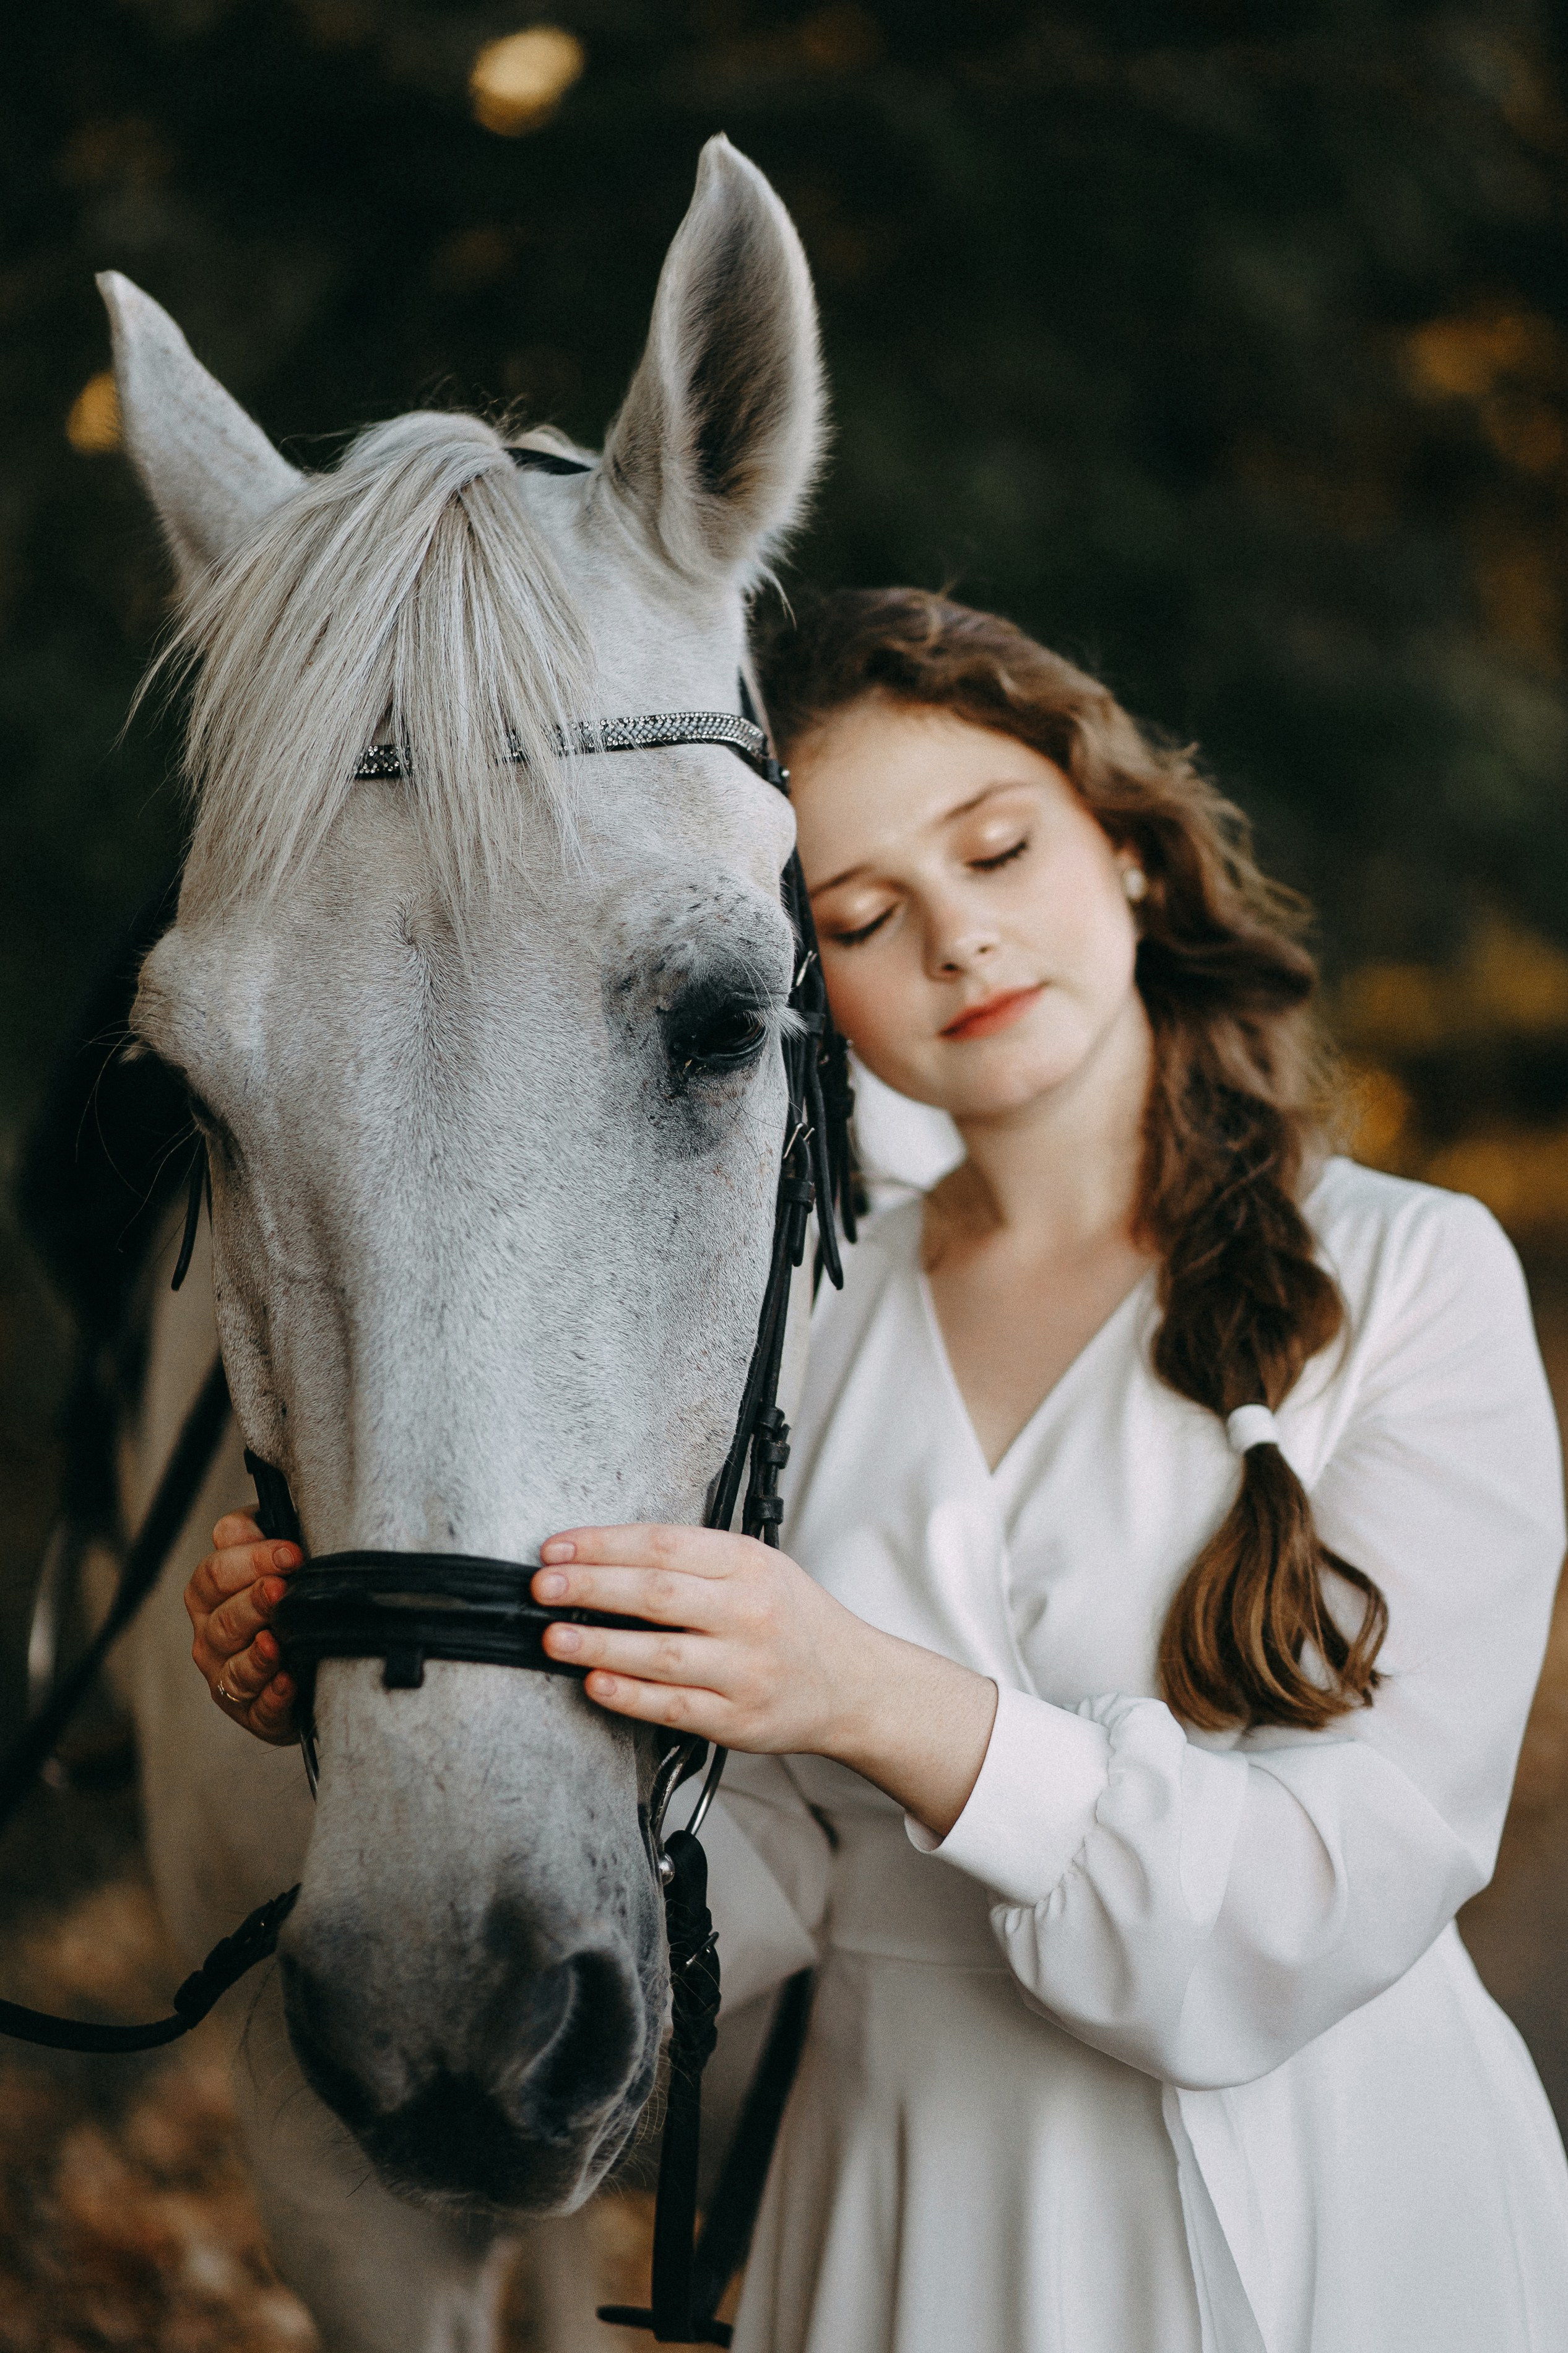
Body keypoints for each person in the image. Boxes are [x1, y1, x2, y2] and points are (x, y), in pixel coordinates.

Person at [186, 589, 1568, 2352]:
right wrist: (371, 1713)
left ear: (1130, 851)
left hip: (1326, 2207)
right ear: (805, 985)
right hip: (910, 2219)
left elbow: (1331, 1897)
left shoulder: (1413, 1277)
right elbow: (767, 1867)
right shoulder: (806, 1333)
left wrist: (872, 1696)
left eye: (998, 851)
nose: (961, 941)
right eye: (863, 912)